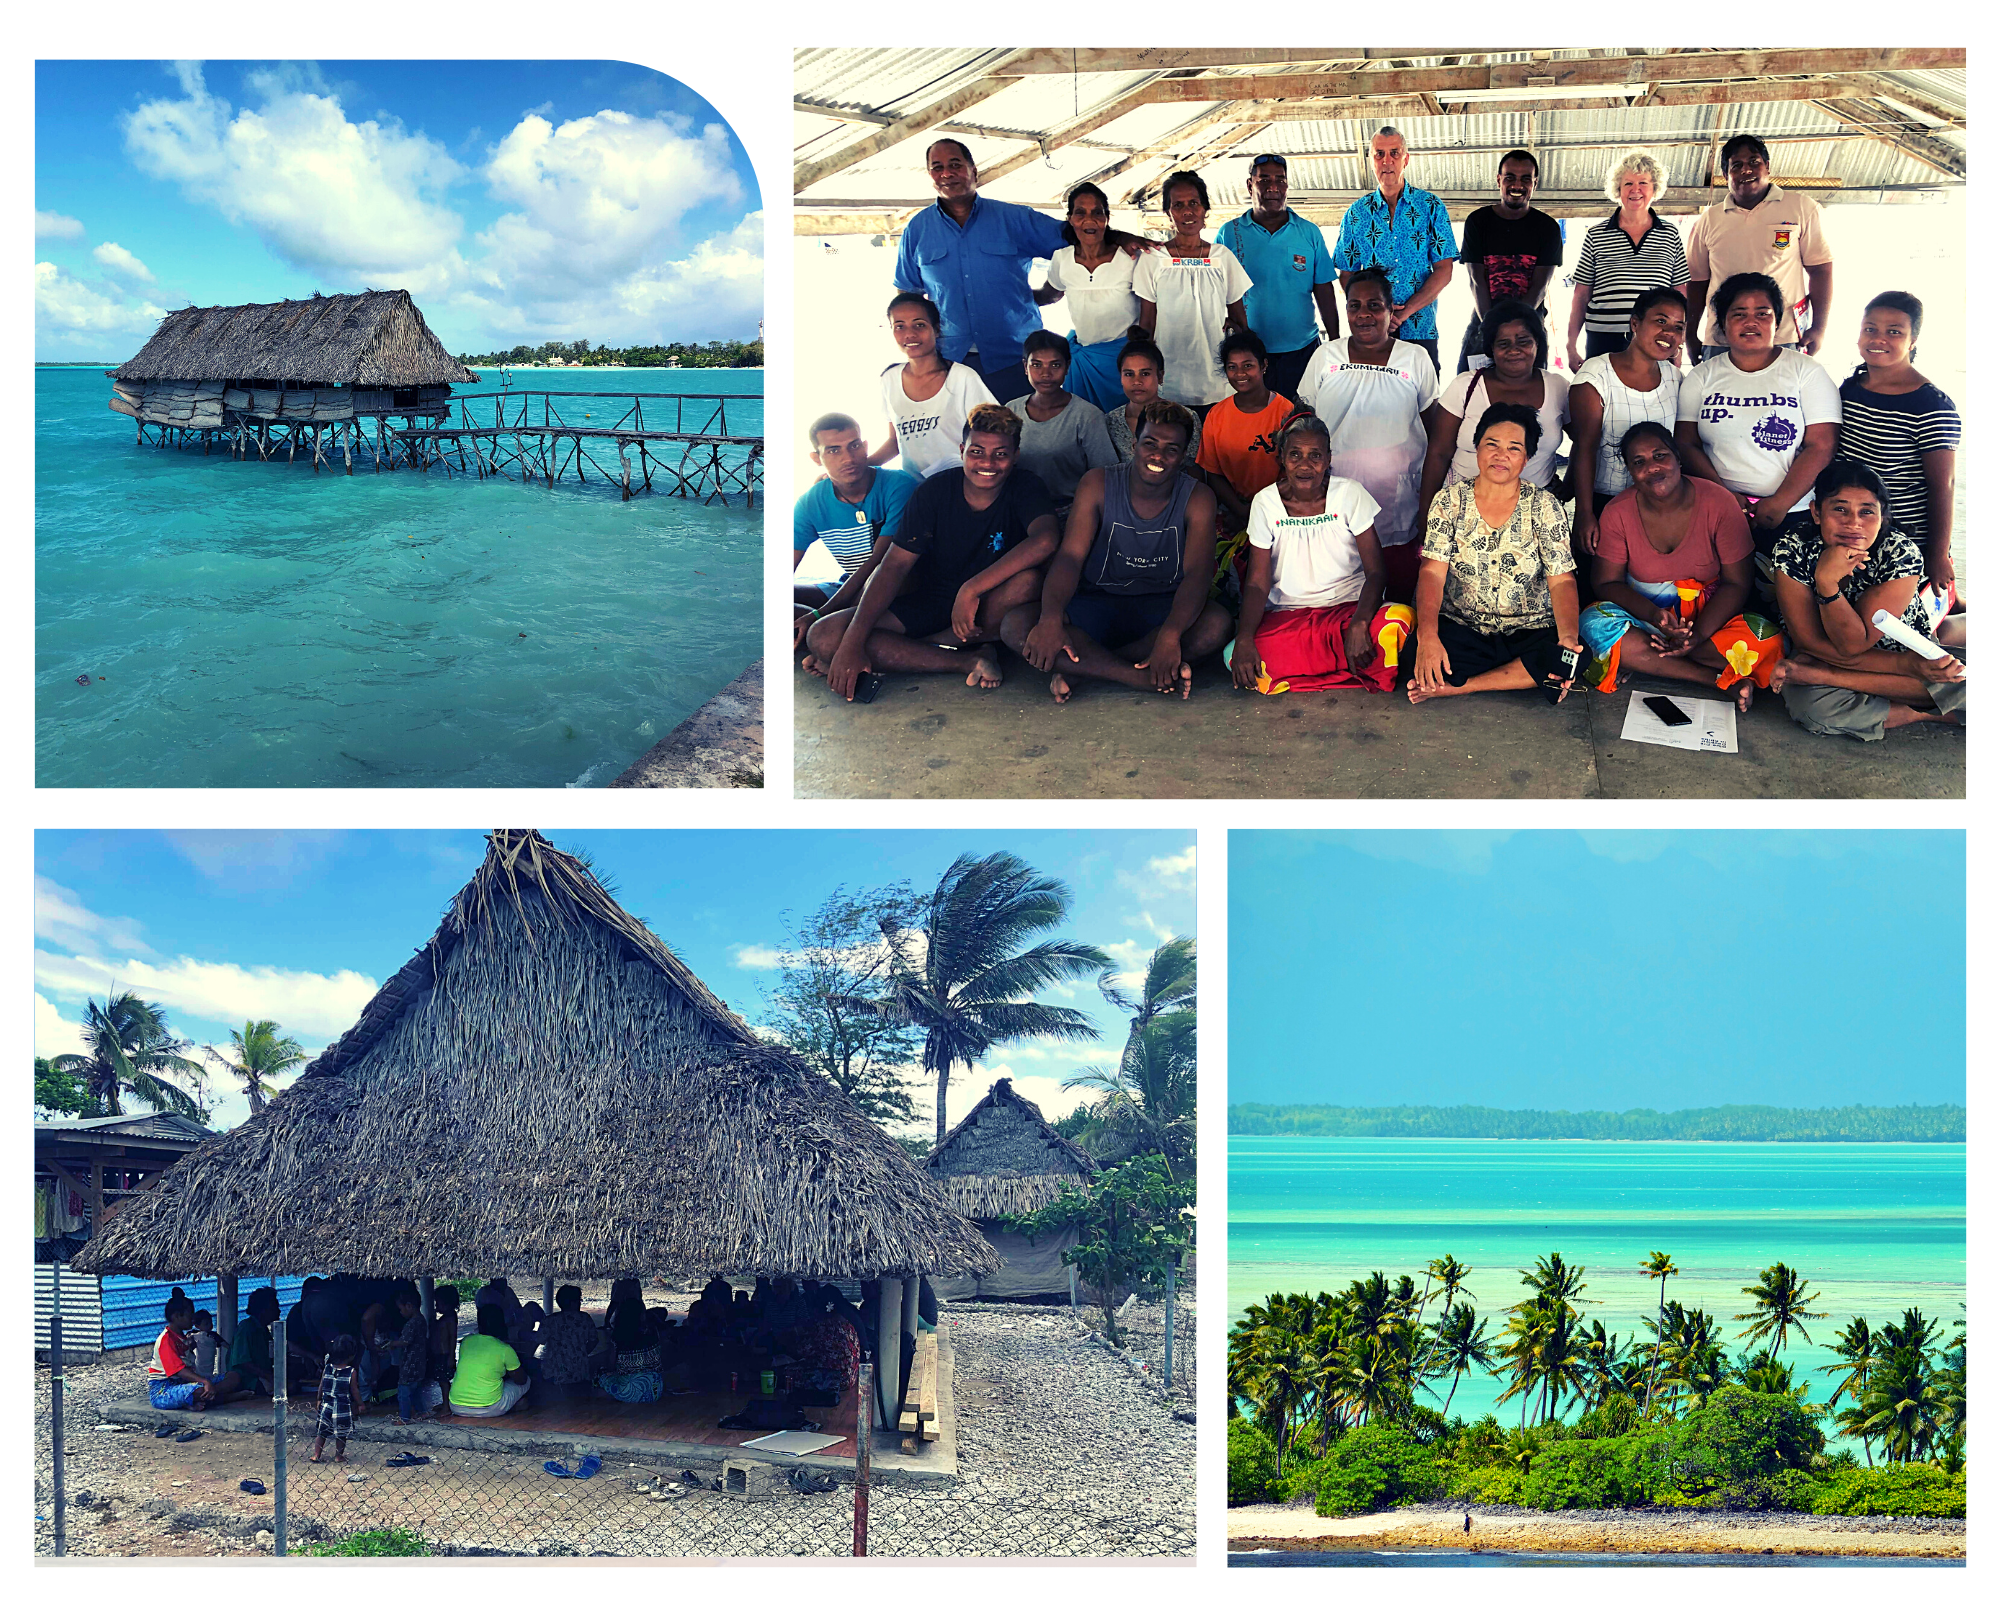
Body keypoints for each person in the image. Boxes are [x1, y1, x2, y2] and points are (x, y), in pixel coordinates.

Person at [811, 404, 1061, 699]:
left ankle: (926, 647)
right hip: (933, 598)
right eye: (977, 451)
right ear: (962, 450)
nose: (988, 463)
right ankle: (966, 659)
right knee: (824, 637)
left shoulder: (1025, 486)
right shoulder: (935, 491)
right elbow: (893, 566)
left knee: (1027, 582)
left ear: (1015, 456)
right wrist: (851, 644)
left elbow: (1046, 540)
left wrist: (970, 590)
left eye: (1001, 454)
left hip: (989, 603)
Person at [1002, 401, 1233, 703]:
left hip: (1161, 606)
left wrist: (1170, 634)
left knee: (1217, 625)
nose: (1158, 455)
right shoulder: (1098, 483)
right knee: (1015, 626)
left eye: (1171, 449)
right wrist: (1051, 618)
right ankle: (1139, 675)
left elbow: (1197, 575)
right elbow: (1070, 557)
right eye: (1149, 443)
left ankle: (1081, 669)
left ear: (1183, 456)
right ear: (1134, 443)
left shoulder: (1197, 497)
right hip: (1096, 601)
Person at [894, 138, 1141, 403]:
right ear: (930, 174)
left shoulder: (1013, 219)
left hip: (1018, 359)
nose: (946, 173)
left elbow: (1078, 233)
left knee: (1025, 437)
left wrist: (1121, 238)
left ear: (973, 170)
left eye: (955, 164)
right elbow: (907, 298)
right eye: (937, 167)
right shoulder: (917, 230)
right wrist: (921, 357)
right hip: (952, 362)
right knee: (966, 440)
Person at [1577, 421, 1778, 710]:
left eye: (1660, 455)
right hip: (1644, 619)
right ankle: (1717, 680)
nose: (1652, 467)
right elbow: (1606, 583)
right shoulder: (1617, 512)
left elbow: (1738, 583)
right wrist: (1655, 615)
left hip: (1709, 623)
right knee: (1592, 626)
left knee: (1768, 640)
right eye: (1639, 462)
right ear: (1630, 471)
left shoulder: (1719, 503)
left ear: (1678, 458)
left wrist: (1695, 636)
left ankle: (1652, 660)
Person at [1768, 458, 1965, 737]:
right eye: (1840, 509)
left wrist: (1821, 676)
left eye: (1867, 512)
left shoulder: (1900, 553)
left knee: (1959, 676)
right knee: (1810, 705)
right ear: (1816, 512)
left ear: (1882, 516)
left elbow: (1853, 644)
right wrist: (1826, 580)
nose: (1854, 524)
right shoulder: (1793, 548)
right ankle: (1925, 707)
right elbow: (1811, 642)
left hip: (1899, 652)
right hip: (1830, 653)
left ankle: (1913, 702)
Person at [1408, 404, 1583, 706]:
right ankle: (1518, 678)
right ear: (1477, 448)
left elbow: (1561, 580)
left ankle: (1460, 687)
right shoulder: (1449, 500)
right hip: (1465, 627)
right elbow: (1432, 572)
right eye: (1492, 445)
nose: (1501, 456)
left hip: (1531, 629)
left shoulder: (1544, 505)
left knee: (1572, 655)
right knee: (1414, 650)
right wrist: (1428, 636)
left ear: (1526, 458)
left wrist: (1568, 638)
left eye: (1514, 449)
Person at [1230, 413, 1411, 695]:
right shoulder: (1265, 503)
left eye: (1315, 455)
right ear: (1281, 458)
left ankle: (1303, 673)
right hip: (1289, 616)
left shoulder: (1350, 494)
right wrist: (1243, 637)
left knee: (1397, 620)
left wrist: (1360, 623)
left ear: (1328, 459)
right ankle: (1348, 669)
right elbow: (1256, 583)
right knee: (1234, 656)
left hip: (1349, 610)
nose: (1305, 465)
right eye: (1295, 455)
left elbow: (1376, 572)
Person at [1296, 268, 1442, 601]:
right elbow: (1303, 419)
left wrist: (1431, 497)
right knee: (1341, 581)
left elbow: (1434, 430)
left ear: (1392, 310)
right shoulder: (1326, 355)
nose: (1364, 314)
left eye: (1374, 305)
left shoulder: (1415, 358)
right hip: (1334, 492)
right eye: (1354, 305)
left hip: (1398, 496)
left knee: (1398, 586)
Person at [1675, 272, 1839, 561]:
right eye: (1739, 314)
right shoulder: (1701, 376)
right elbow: (1686, 444)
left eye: (1763, 314)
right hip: (1717, 508)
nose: (1751, 322)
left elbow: (1822, 445)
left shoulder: (1806, 372)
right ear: (1722, 325)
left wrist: (1780, 503)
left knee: (1786, 597)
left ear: (1777, 322)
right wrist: (1725, 498)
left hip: (1793, 510)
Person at [1836, 291, 1960, 603]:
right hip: (1853, 526)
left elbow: (1942, 485)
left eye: (1894, 331)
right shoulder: (1851, 387)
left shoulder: (1930, 404)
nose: (1879, 339)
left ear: (1913, 340)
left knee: (1913, 625)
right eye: (1870, 328)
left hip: (1903, 537)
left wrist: (1938, 554)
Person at [1415, 299, 1570, 536]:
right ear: (1490, 348)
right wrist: (1427, 512)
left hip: (1534, 515)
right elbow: (1438, 453)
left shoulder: (1558, 387)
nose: (1514, 350)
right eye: (1503, 343)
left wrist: (1570, 484)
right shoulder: (1465, 386)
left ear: (1538, 343)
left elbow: (1586, 440)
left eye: (1524, 341)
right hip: (1463, 511)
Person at [1685, 134, 1833, 358]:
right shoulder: (1709, 220)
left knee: (1783, 394)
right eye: (1737, 165)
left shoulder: (1802, 208)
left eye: (1754, 162)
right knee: (1719, 394)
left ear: (1767, 167)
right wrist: (1690, 334)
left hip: (1785, 337)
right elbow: (1697, 283)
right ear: (1726, 175)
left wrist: (1819, 328)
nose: (1746, 170)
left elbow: (1821, 270)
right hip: (1722, 340)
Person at [1570, 287, 1689, 555]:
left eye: (1678, 326)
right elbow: (1584, 449)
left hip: (1662, 504)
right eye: (1660, 321)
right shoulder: (1596, 375)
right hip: (1606, 501)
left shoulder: (1676, 379)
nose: (1669, 333)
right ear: (1635, 323)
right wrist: (1585, 513)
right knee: (1601, 583)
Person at [1216, 153, 1342, 400]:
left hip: (1302, 350)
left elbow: (1324, 291)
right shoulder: (1229, 234)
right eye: (1263, 179)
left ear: (1286, 185)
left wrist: (1336, 342)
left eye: (1280, 180)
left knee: (1300, 419)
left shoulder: (1309, 232)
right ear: (1250, 184)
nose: (1272, 187)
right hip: (1248, 354)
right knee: (1255, 424)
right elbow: (1215, 289)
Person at [1332, 126, 1457, 373]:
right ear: (1371, 160)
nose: (1387, 161)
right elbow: (1346, 274)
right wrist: (1371, 313)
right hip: (1371, 334)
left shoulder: (1430, 206)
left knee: (1423, 403)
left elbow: (1444, 270)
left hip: (1420, 328)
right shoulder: (1356, 214)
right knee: (1373, 400)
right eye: (1379, 154)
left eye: (1394, 153)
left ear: (1406, 159)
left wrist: (1403, 312)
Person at [793, 413, 921, 654]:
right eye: (833, 451)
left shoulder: (898, 486)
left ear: (865, 447)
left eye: (853, 446)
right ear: (816, 458)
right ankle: (822, 633)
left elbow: (882, 564)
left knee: (826, 629)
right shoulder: (811, 502)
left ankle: (827, 633)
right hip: (848, 588)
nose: (848, 458)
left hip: (898, 587)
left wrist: (821, 614)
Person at [1132, 170, 1252, 411]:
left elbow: (1240, 320)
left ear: (1204, 209)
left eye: (1194, 203)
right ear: (1168, 213)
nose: (1187, 211)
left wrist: (1238, 335)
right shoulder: (1153, 259)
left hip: (1216, 378)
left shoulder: (1222, 257)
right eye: (1178, 205)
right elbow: (1147, 323)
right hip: (1171, 379)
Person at [1565, 149, 1689, 369]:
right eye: (1628, 184)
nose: (1636, 190)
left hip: (1656, 339)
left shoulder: (1670, 234)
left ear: (1654, 189)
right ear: (1617, 189)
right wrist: (1571, 345)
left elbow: (1680, 294)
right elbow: (1581, 294)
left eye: (1643, 183)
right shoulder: (1596, 235)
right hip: (1604, 338)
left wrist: (1679, 344)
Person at [1455, 150, 1564, 374]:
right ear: (1499, 180)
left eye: (1526, 179)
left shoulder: (1547, 228)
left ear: (1535, 183)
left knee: (1530, 396)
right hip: (1484, 322)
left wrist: (1516, 331)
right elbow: (1477, 282)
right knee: (1471, 391)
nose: (1517, 185)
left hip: (1529, 325)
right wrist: (1492, 328)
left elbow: (1540, 287)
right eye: (1510, 177)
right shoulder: (1478, 222)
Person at [1038, 181, 1143, 411]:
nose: (1089, 220)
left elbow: (1150, 305)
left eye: (1097, 212)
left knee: (1128, 429)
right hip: (1083, 361)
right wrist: (1009, 296)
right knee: (1086, 431)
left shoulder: (1131, 257)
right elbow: (1050, 295)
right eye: (1080, 213)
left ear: (1107, 217)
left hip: (1124, 361)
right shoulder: (1062, 259)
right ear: (1070, 218)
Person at [870, 292, 996, 479]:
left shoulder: (962, 378)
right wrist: (856, 468)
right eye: (899, 326)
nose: (910, 334)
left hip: (961, 485)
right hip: (914, 491)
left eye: (919, 325)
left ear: (936, 330)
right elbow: (895, 441)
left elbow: (995, 435)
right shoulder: (889, 379)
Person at [1195, 330, 1296, 536]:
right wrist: (1240, 511)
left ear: (1264, 366)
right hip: (1232, 511)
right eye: (1232, 367)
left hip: (1280, 510)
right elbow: (1213, 474)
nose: (1240, 373)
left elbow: (1294, 473)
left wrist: (1261, 510)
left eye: (1248, 365)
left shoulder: (1287, 412)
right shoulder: (1216, 415)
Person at [1006, 331, 1120, 508]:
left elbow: (1105, 474)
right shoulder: (1010, 411)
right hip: (1017, 506)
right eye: (1036, 365)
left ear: (1067, 367)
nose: (1045, 374)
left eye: (1055, 365)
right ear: (1025, 367)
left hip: (1073, 509)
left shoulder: (1087, 415)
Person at [1106, 335, 1204, 468]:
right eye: (1129, 374)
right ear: (1120, 377)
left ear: (1160, 376)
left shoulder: (1186, 417)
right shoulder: (1110, 422)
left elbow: (1194, 471)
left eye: (1145, 373)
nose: (1137, 381)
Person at [149, 1298, 235, 1410]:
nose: (193, 1319)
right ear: (176, 1316)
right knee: (200, 1389)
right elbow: (178, 1371)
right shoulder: (166, 1340)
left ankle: (207, 1397)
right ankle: (224, 1397)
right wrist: (205, 1381)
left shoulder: (184, 1338)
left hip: (185, 1383)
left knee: (233, 1376)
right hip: (163, 1390)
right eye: (190, 1315)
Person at [449, 1304, 529, 1418]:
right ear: (502, 1323)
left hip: (456, 1406)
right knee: (527, 1381)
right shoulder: (504, 1349)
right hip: (490, 1408)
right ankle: (512, 1407)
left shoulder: (466, 1341)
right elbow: (521, 1380)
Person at [538, 1285, 608, 1398]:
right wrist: (581, 1353)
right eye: (579, 1300)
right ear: (573, 1302)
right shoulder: (585, 1318)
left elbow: (539, 1340)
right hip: (581, 1370)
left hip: (556, 1372)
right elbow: (593, 1340)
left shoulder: (550, 1321)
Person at [595, 1300, 665, 1405]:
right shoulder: (652, 1332)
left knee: (601, 1374)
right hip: (656, 1390)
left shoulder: (618, 1337)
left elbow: (610, 1365)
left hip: (628, 1392)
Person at [383, 1286, 434, 1424]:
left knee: (404, 1390)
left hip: (410, 1363)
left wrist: (392, 1343)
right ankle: (422, 1411)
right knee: (416, 1389)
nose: (400, 1312)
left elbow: (405, 1341)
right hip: (420, 1362)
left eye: (401, 1309)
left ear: (409, 1306)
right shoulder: (421, 1320)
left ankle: (405, 1417)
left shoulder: (411, 1324)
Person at [309, 1333, 364, 1463]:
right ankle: (338, 1456)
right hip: (342, 1407)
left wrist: (318, 1399)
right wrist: (360, 1403)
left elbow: (321, 1385)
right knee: (341, 1434)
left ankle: (317, 1454)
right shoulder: (351, 1372)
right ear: (352, 1355)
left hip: (326, 1405)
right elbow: (354, 1390)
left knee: (321, 1432)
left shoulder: (327, 1368)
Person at [227, 1286, 280, 1398]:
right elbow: (242, 1362)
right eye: (274, 1308)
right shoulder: (246, 1328)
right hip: (248, 1380)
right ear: (263, 1310)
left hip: (261, 1377)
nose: (279, 1311)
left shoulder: (263, 1329)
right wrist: (268, 1376)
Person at [190, 1309, 224, 1382]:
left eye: (211, 1322)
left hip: (208, 1369)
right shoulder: (195, 1335)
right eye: (206, 1324)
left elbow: (226, 1345)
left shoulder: (213, 1336)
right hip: (198, 1368)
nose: (210, 1325)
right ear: (197, 1326)